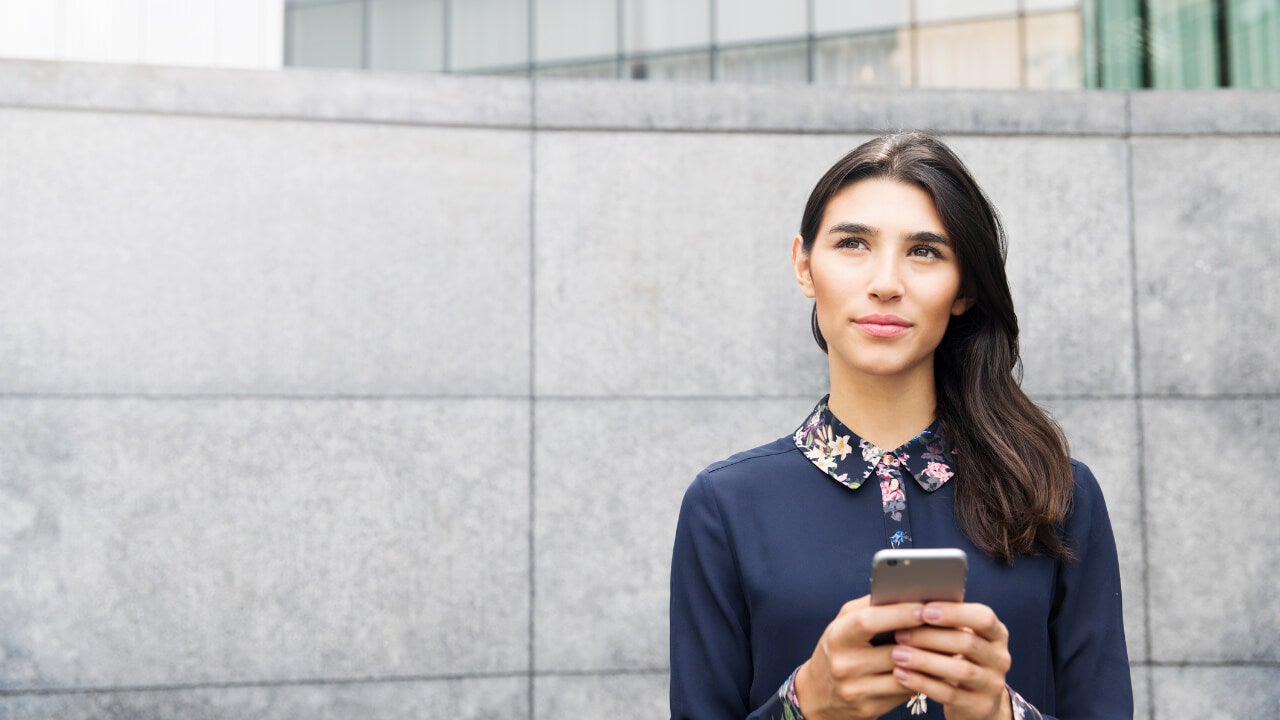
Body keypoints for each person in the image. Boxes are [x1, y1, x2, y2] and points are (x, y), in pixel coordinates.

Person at [669, 132, 1131, 720]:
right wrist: (806, 702)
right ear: (804, 265)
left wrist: (997, 712)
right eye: (853, 243)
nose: (886, 282)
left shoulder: (1057, 494)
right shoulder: (726, 506)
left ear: (963, 288)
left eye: (925, 251)